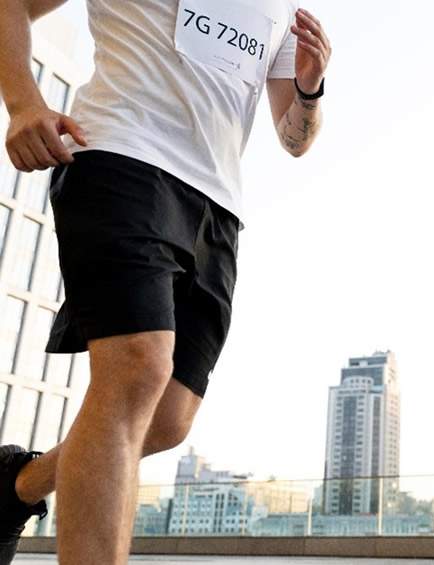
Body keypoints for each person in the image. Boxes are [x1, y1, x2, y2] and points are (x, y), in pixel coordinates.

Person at [0, 1, 330, 563]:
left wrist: (309, 85)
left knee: (169, 418)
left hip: (218, 206)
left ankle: (17, 486)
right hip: (122, 155)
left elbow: (294, 140)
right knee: (138, 367)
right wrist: (23, 103)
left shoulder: (279, 9)